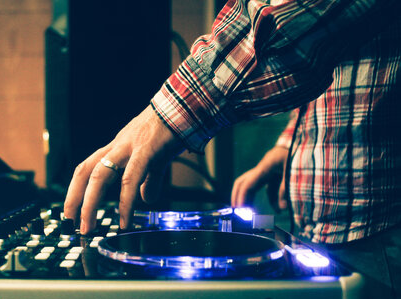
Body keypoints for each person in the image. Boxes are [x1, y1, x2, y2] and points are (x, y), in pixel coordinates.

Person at [63, 0, 401, 246]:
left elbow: (288, 20)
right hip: (335, 227)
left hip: (381, 233)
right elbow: (349, 60)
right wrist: (292, 146)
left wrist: (169, 114)